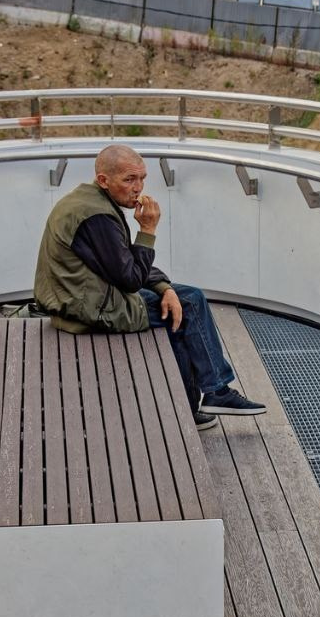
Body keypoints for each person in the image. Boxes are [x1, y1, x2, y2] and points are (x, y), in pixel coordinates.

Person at [33, 143, 265, 430]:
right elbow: (129, 277)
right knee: (189, 302)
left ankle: (194, 407)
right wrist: (148, 230)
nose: (138, 187)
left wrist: (164, 288)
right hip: (90, 310)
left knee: (179, 303)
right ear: (104, 180)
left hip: (83, 297)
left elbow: (121, 259)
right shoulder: (98, 217)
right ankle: (214, 392)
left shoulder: (88, 201)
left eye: (142, 178)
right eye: (129, 179)